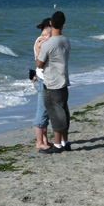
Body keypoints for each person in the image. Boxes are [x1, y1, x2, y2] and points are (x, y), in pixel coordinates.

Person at [36, 11, 71, 154]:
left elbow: (39, 63)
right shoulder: (65, 40)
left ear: (51, 23)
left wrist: (39, 47)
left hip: (52, 82)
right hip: (63, 80)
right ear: (63, 25)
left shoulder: (49, 44)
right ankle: (65, 141)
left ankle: (57, 145)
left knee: (56, 113)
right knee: (63, 111)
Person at [33, 18, 52, 151]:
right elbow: (39, 61)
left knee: (46, 111)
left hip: (45, 79)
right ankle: (39, 142)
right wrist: (42, 44)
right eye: (45, 34)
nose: (46, 37)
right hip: (41, 79)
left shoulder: (45, 40)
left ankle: (44, 139)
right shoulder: (40, 41)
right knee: (42, 110)